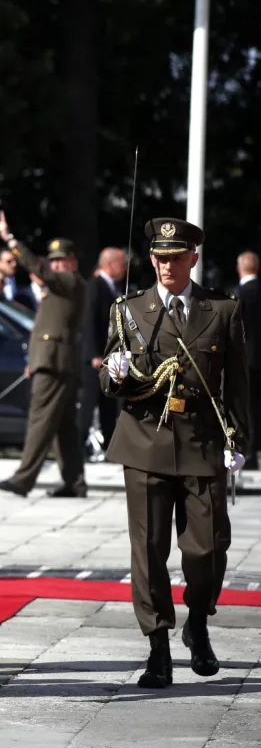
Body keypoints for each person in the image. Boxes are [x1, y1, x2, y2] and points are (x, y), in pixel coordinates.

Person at [100, 217, 248, 688]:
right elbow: (110, 379)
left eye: (176, 258)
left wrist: (240, 441)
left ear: (193, 259)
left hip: (202, 442)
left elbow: (238, 384)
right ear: (151, 259)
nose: (167, 266)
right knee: (148, 550)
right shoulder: (129, 310)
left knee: (209, 547)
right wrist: (115, 373)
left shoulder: (221, 309)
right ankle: (158, 646)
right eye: (160, 258)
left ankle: (197, 621)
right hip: (145, 441)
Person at [0, 211, 87, 498]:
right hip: (54, 361)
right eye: (53, 260)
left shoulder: (70, 281)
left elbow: (38, 268)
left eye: (61, 260)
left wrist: (9, 238)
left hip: (55, 364)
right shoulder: (62, 286)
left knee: (40, 421)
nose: (55, 265)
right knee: (65, 427)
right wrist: (34, 360)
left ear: (73, 262)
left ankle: (23, 479)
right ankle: (74, 482)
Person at [80, 247, 128, 455]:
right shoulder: (96, 285)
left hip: (110, 355)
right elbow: (89, 321)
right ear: (110, 264)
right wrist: (94, 354)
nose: (125, 269)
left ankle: (110, 443)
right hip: (97, 356)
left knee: (109, 401)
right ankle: (79, 443)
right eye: (122, 264)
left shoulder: (112, 287)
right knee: (90, 401)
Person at [235, 251, 261, 468]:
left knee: (248, 405)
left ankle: (249, 452)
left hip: (247, 359)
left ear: (239, 268)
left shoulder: (239, 295)